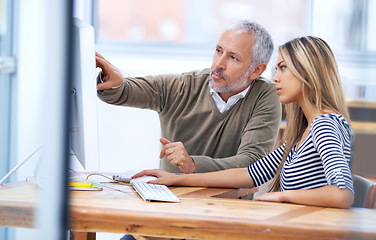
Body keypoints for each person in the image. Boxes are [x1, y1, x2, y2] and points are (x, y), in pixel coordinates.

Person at [134, 36, 355, 209]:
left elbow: (342, 193)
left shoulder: (325, 125)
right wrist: (177, 179)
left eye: (283, 67)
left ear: (308, 71)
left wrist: (283, 195)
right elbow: (249, 174)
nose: (275, 77)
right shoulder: (305, 132)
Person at [96, 20, 282, 174]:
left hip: (229, 207)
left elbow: (252, 163)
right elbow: (123, 91)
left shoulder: (264, 96)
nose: (218, 64)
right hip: (172, 202)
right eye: (218, 50)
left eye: (233, 58)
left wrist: (193, 164)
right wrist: (113, 82)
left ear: (256, 70)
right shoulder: (184, 86)